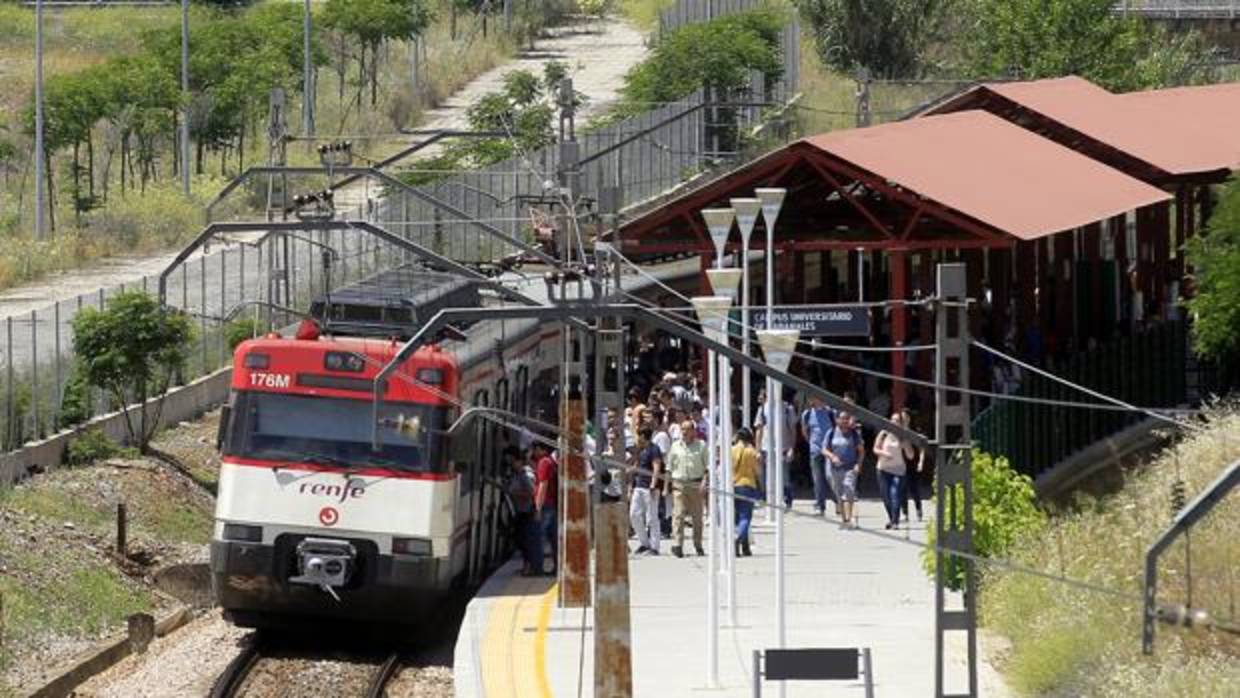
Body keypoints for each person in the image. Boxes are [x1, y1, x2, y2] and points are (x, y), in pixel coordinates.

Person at [666, 419, 708, 558]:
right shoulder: (675, 446)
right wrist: (667, 486)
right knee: (678, 515)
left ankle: (698, 544)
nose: (684, 432)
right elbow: (669, 468)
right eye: (682, 429)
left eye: (687, 429)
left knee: (697, 517)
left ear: (693, 431)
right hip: (679, 484)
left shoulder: (701, 446)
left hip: (696, 484)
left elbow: (707, 467)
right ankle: (678, 545)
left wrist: (704, 482)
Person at [823, 411, 864, 528]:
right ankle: (843, 520)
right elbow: (824, 449)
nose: (845, 421)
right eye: (842, 419)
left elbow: (861, 451)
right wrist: (832, 457)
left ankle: (849, 519)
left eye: (847, 418)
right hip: (835, 468)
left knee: (849, 490)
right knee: (839, 494)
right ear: (837, 420)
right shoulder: (831, 433)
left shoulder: (854, 434)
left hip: (850, 467)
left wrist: (858, 465)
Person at [873, 411, 914, 530]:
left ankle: (895, 521)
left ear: (901, 424)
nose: (894, 422)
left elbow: (910, 456)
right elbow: (875, 448)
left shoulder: (903, 436)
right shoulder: (884, 433)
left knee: (894, 494)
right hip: (883, 469)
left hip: (899, 470)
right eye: (893, 420)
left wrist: (905, 443)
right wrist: (883, 453)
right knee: (886, 497)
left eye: (897, 421)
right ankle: (892, 519)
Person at [504, 446, 539, 576]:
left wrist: (515, 493)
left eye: (513, 462)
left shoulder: (526, 474)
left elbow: (531, 492)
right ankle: (526, 565)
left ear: (519, 461)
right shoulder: (517, 474)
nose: (511, 465)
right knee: (520, 539)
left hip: (526, 512)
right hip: (520, 511)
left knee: (525, 540)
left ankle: (529, 566)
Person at [630, 426, 664, 556]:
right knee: (634, 515)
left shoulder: (654, 449)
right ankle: (645, 543)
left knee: (652, 518)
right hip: (638, 486)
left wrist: (653, 484)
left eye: (639, 435)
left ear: (644, 436)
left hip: (649, 487)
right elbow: (637, 466)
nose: (638, 438)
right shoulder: (641, 449)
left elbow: (657, 467)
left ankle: (655, 547)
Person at [800, 395, 836, 516]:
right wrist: (812, 442)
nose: (811, 400)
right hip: (815, 450)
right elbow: (805, 431)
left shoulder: (831, 412)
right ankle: (820, 505)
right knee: (817, 479)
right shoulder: (807, 414)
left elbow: (837, 429)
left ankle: (838, 500)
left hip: (830, 450)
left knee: (830, 476)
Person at [731, 428, 761, 557]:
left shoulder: (731, 450)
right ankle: (737, 539)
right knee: (745, 517)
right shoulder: (751, 451)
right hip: (748, 485)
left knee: (737, 517)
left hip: (733, 485)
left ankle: (745, 547)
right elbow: (757, 471)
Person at [532, 442, 559, 575]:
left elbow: (543, 485)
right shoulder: (551, 462)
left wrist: (538, 508)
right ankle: (556, 568)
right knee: (553, 538)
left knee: (538, 538)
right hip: (552, 504)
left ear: (541, 449)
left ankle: (537, 568)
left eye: (535, 450)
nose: (533, 453)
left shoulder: (543, 462)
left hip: (546, 505)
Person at [901, 409, 926, 522]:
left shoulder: (916, 430)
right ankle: (905, 513)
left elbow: (921, 449)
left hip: (913, 463)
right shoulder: (898, 430)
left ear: (910, 418)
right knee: (902, 489)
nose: (904, 419)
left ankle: (918, 509)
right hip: (901, 462)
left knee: (914, 488)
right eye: (902, 417)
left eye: (906, 417)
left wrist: (921, 462)